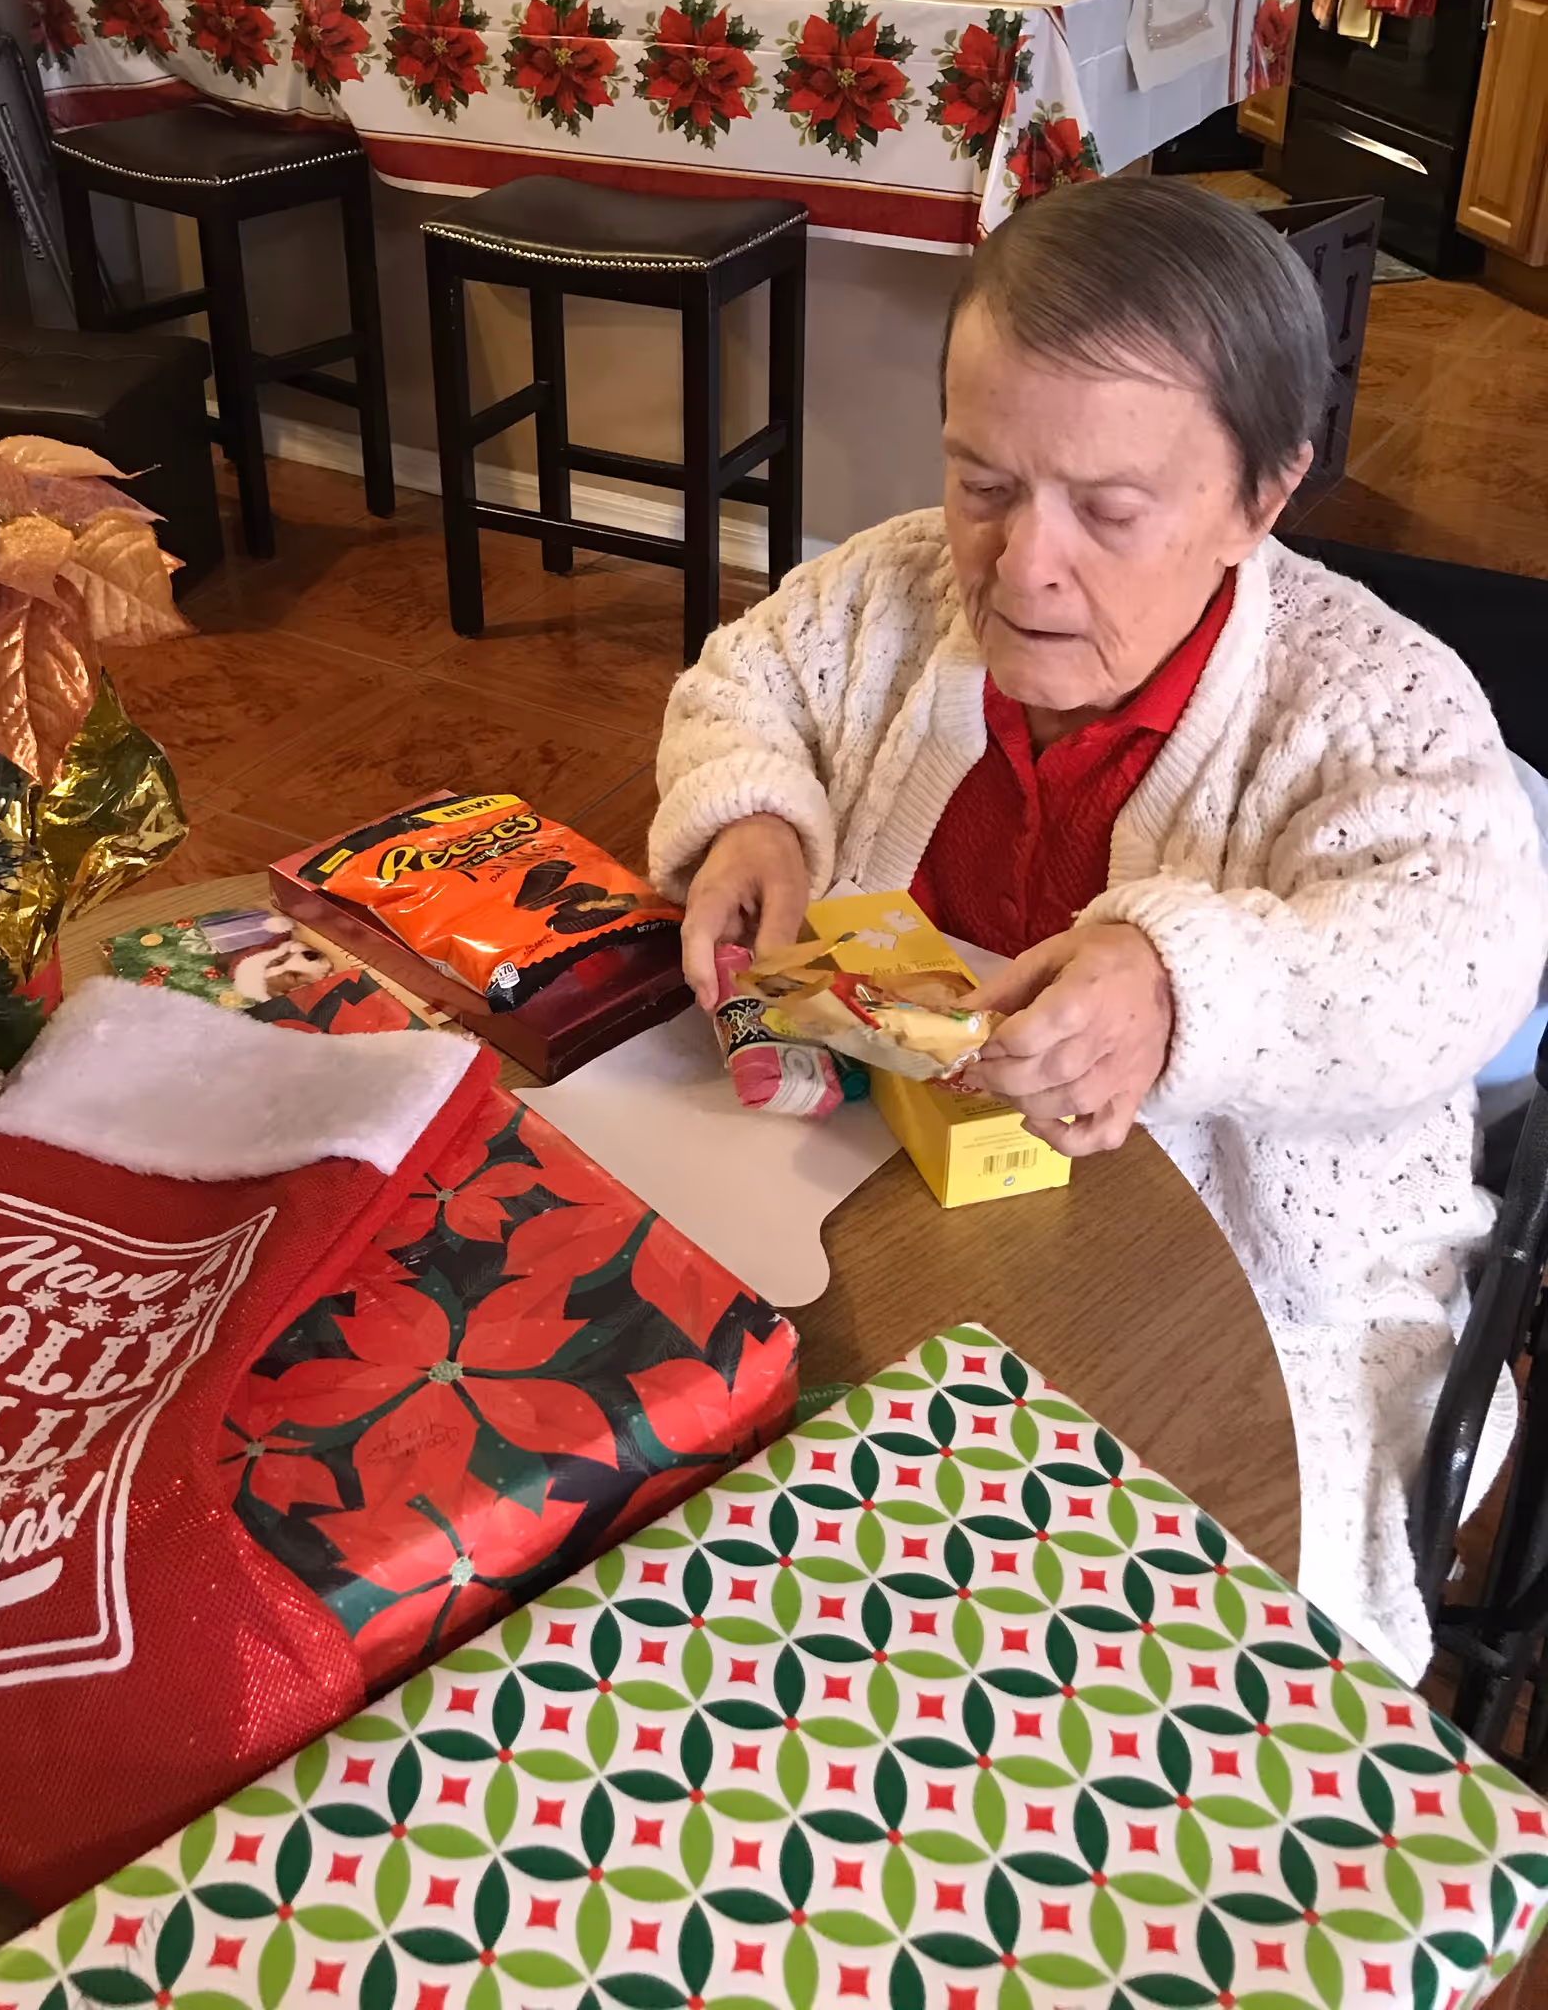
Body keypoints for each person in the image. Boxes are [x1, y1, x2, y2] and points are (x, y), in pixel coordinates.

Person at [649, 175, 1548, 1678]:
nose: (1021, 563)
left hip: (1250, 1271)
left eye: (1110, 511)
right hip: (878, 1183)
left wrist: (1183, 989)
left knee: (1118, 1642)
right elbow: (750, 682)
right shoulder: (901, 587)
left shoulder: (1374, 699)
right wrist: (754, 812)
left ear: (1265, 496)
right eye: (983, 481)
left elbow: (1450, 957)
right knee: (741, 1527)